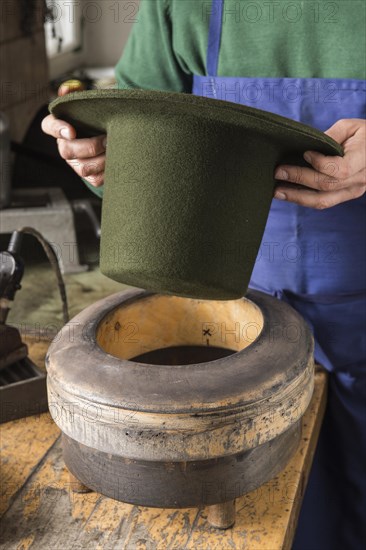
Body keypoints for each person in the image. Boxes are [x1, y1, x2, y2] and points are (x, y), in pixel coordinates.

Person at [42, 1, 366, 548]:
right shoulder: (181, 5)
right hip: (229, 318)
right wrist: (101, 159)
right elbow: (139, 149)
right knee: (258, 507)